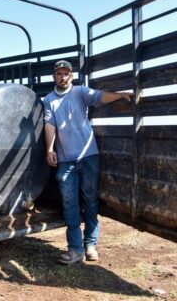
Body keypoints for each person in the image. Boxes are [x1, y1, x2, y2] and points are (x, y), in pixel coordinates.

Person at [43, 60, 133, 265]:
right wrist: (49, 148)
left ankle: (90, 244)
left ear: (71, 76)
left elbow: (100, 97)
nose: (63, 77)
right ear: (54, 77)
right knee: (69, 203)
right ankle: (75, 249)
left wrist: (119, 95)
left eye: (66, 73)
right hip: (66, 160)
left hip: (89, 155)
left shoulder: (80, 92)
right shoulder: (48, 100)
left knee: (90, 200)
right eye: (59, 73)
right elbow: (50, 124)